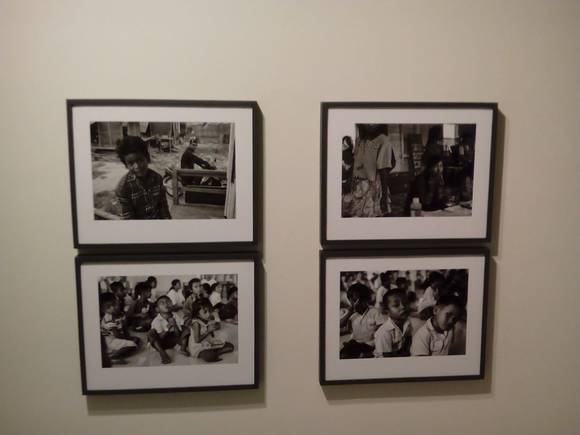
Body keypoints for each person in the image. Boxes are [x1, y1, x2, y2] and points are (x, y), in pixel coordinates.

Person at [114, 136, 171, 220]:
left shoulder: (157, 178)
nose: (137, 166)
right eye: (131, 163)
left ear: (147, 158)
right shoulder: (123, 189)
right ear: (126, 165)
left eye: (140, 160)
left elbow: (163, 207)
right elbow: (129, 219)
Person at [340, 283, 387, 359]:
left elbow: (383, 332)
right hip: (355, 343)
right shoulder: (351, 315)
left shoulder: (374, 312)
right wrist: (350, 312)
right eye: (353, 301)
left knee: (361, 356)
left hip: (370, 345)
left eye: (359, 300)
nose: (356, 304)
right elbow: (340, 325)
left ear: (366, 300)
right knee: (343, 355)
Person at [344, 126, 382, 217]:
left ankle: (369, 213)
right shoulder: (361, 143)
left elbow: (367, 161)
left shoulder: (367, 144)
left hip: (367, 176)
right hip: (364, 176)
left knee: (368, 198)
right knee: (364, 198)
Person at [148, 296, 190, 364]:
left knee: (185, 328)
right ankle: (162, 353)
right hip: (161, 343)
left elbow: (178, 334)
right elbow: (161, 337)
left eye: (168, 302)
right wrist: (169, 326)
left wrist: (175, 325)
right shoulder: (156, 320)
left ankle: (183, 348)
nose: (166, 304)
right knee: (151, 333)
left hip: (173, 341)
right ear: (157, 309)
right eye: (162, 303)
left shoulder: (175, 316)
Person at [374, 289, 413, 357]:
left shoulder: (408, 323)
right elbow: (387, 359)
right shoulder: (384, 332)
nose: (403, 307)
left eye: (405, 303)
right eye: (396, 305)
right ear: (387, 311)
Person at [100, 298, 139, 364]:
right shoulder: (108, 318)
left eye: (113, 305)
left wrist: (127, 335)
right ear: (105, 310)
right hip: (110, 341)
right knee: (132, 344)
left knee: (136, 339)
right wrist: (127, 338)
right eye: (109, 307)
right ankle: (111, 356)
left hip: (116, 338)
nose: (113, 307)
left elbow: (123, 329)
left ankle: (116, 351)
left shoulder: (115, 315)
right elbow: (116, 335)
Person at [373, 129, 396, 216]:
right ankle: (384, 209)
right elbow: (393, 162)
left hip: (377, 173)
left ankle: (381, 210)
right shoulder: (387, 143)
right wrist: (387, 169)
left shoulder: (376, 143)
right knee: (383, 191)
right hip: (383, 171)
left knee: (381, 191)